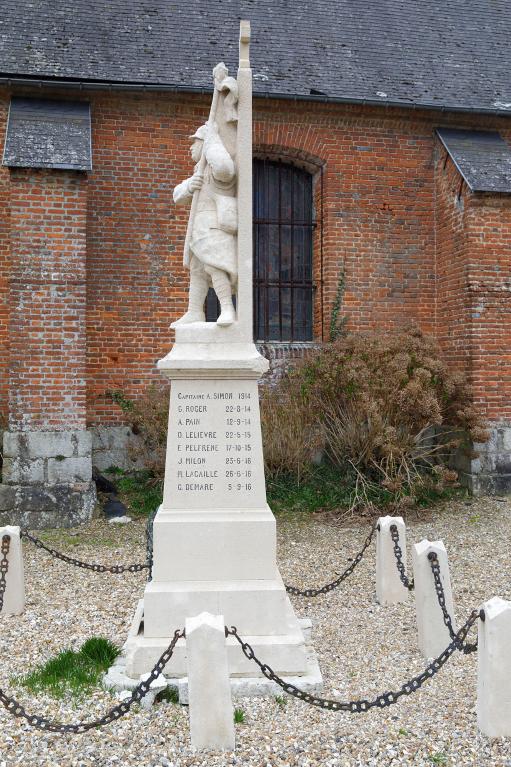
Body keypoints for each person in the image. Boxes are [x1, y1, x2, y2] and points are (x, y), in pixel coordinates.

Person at [173, 122, 237, 326]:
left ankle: (227, 308)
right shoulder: (198, 172)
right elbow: (177, 196)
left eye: (195, 142)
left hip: (214, 226)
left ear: (205, 144)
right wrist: (190, 186)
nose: (191, 147)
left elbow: (226, 169)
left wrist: (212, 138)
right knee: (197, 270)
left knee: (215, 265)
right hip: (199, 229)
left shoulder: (216, 169)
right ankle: (194, 312)